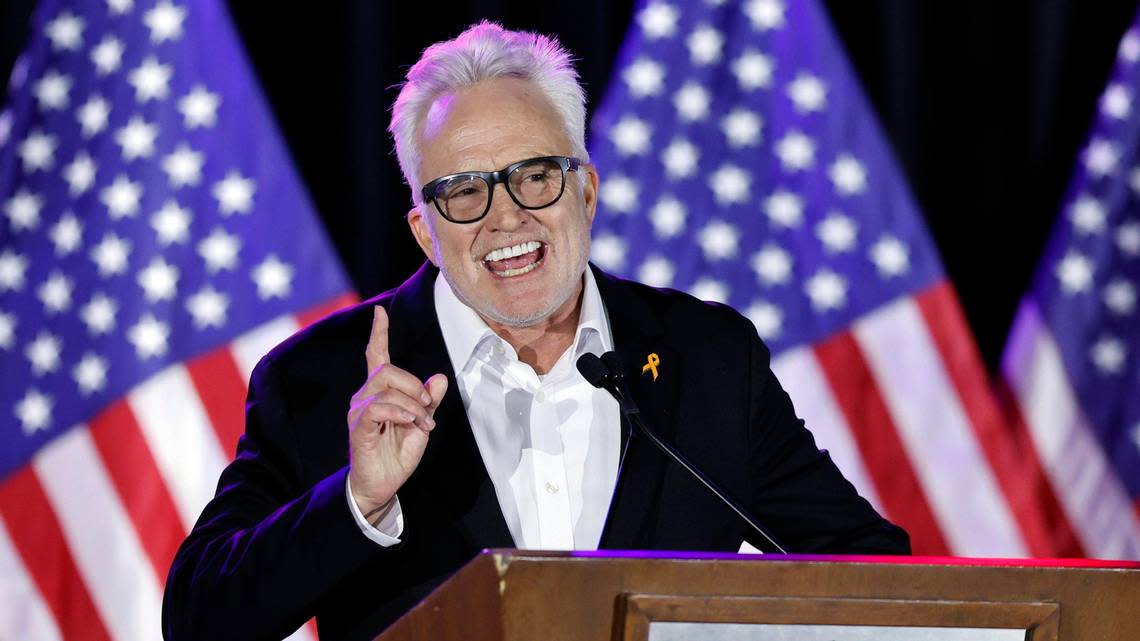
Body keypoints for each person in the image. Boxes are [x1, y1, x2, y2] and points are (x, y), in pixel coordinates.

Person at [162, 21, 908, 641]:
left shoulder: (707, 357)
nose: (506, 216)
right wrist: (358, 499)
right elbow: (199, 618)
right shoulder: (323, 380)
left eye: (535, 175)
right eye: (463, 192)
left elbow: (881, 584)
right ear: (425, 232)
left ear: (585, 188)